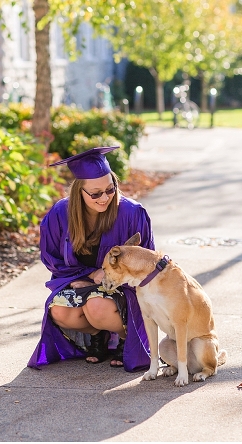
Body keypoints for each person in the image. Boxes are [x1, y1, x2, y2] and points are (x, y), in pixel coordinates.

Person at [28, 146, 154, 371]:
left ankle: (126, 338)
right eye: (95, 193)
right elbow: (51, 258)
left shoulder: (132, 213)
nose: (104, 198)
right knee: (60, 311)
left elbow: (146, 261)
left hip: (122, 287)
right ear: (79, 192)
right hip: (78, 280)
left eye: (110, 189)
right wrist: (89, 275)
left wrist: (105, 276)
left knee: (96, 307)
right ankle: (100, 337)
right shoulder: (60, 214)